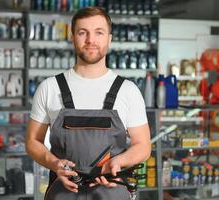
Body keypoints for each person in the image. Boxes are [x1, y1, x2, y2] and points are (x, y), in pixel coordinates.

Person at [26, 6, 151, 200]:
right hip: (62, 193)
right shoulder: (49, 87)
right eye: (82, 32)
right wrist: (54, 163)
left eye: (99, 32)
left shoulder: (128, 90)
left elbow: (143, 146)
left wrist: (119, 162)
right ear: (72, 37)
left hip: (112, 191)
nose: (91, 40)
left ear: (109, 39)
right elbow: (33, 141)